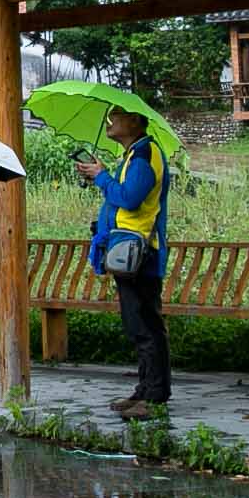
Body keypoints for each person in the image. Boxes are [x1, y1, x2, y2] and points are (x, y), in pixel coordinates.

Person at [75, 108, 171, 420]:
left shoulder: (143, 155)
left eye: (115, 117)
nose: (110, 123)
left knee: (145, 324)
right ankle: (145, 390)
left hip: (140, 253)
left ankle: (155, 394)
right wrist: (104, 175)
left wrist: (102, 177)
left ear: (133, 121)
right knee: (137, 322)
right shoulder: (134, 154)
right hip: (128, 251)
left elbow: (129, 198)